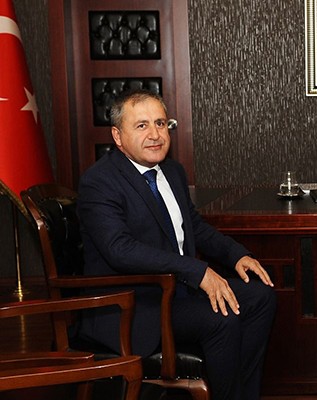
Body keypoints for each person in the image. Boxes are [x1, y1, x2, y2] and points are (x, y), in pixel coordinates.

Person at [76, 89, 276, 400]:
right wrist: (197, 271)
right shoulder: (100, 181)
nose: (155, 134)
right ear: (118, 136)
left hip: (177, 292)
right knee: (221, 317)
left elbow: (193, 226)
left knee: (260, 297)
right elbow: (120, 249)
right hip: (134, 305)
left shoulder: (171, 171)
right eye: (141, 126)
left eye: (160, 123)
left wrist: (236, 254)